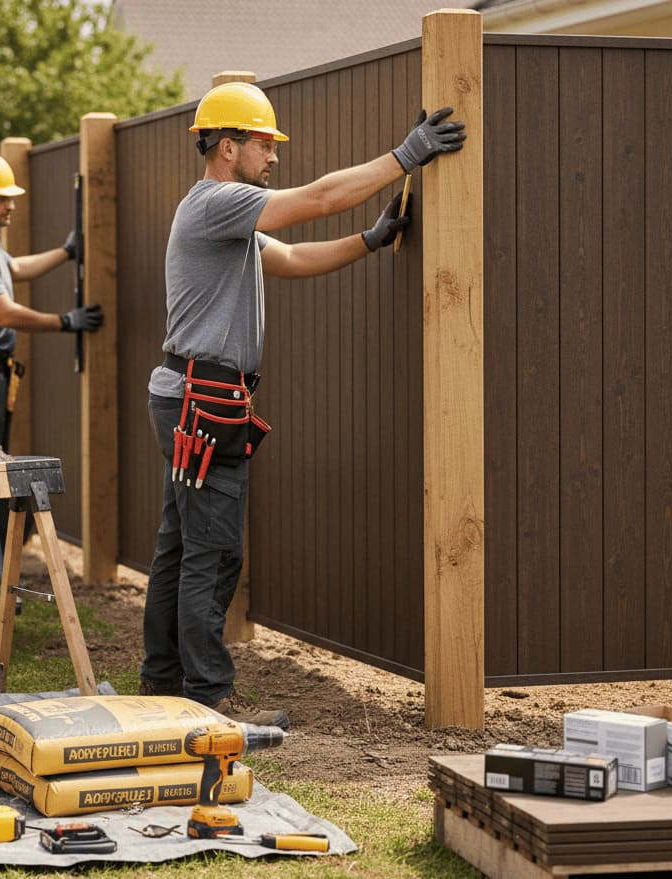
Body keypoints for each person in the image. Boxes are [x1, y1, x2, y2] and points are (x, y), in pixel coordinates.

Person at [140, 81, 465, 728]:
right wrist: (405, 156)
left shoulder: (223, 219)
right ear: (227, 147)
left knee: (181, 546)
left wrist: (367, 242)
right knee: (214, 549)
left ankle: (162, 686)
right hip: (203, 402)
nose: (274, 155)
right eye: (265, 143)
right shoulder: (219, 203)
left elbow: (287, 256)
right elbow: (314, 200)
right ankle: (205, 704)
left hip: (191, 396)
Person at [0, 152, 104, 449]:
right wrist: (65, 322)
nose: (11, 206)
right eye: (2, 199)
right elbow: (6, 315)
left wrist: (66, 252)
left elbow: (15, 268)